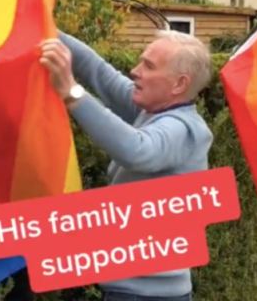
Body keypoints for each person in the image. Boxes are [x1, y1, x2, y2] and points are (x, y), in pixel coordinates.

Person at [39, 30, 213, 301]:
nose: (135, 71)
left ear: (179, 84)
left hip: (151, 296)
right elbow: (97, 70)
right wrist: (43, 25)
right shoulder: (150, 111)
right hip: (130, 290)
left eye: (149, 66)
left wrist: (70, 91)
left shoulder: (185, 130)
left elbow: (137, 149)